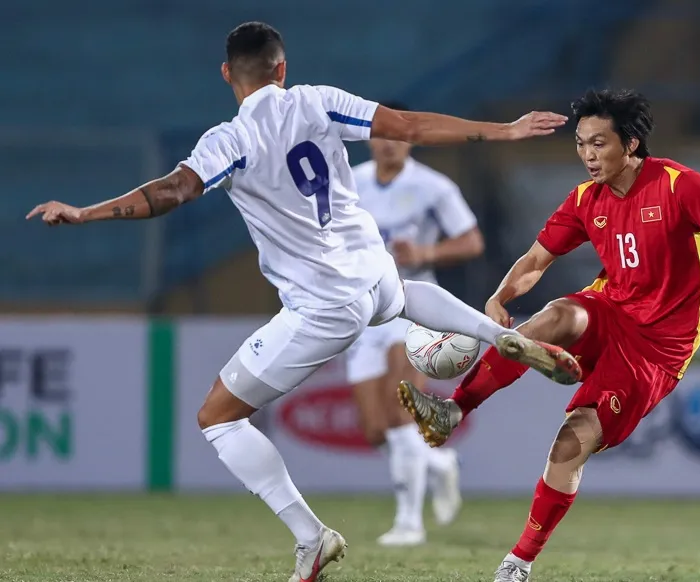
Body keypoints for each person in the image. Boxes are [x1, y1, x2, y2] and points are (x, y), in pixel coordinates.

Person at [26, 21, 581, 582]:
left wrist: (87, 212)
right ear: (282, 69)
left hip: (324, 305)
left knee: (218, 419)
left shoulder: (229, 140)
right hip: (376, 272)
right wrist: (505, 131)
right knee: (405, 296)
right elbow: (409, 125)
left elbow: (175, 191)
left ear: (227, 75)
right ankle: (499, 335)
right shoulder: (319, 102)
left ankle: (312, 538)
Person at [397, 88, 700, 581]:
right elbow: (535, 261)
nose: (588, 156)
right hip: (609, 308)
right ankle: (454, 409)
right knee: (558, 314)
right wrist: (500, 298)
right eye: (581, 144)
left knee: (571, 444)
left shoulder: (680, 186)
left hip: (658, 349)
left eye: (599, 143)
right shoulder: (584, 200)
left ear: (632, 144)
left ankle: (518, 562)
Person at [347, 102, 484, 546]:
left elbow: (471, 240)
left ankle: (409, 523)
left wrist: (425, 255)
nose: (389, 142)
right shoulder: (352, 182)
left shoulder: (432, 187)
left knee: (397, 405)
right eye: (381, 134)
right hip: (363, 312)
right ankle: (441, 465)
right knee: (374, 430)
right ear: (369, 137)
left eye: (397, 135)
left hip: (412, 307)